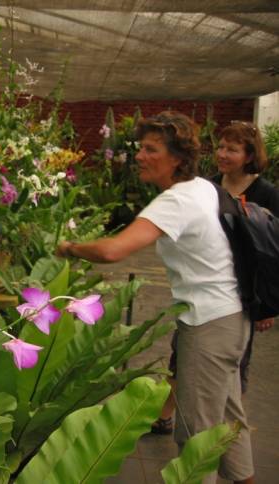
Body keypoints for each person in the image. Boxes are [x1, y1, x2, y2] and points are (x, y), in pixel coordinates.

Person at [56, 111, 254, 484]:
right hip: (231, 319)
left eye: (151, 149)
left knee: (197, 436)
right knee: (228, 423)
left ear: (177, 158)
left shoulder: (177, 201)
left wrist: (69, 247)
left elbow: (114, 250)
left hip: (209, 326)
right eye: (140, 148)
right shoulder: (204, 188)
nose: (140, 156)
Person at [152, 121, 279, 435]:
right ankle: (164, 416)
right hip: (205, 292)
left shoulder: (266, 194)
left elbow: (273, 251)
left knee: (234, 372)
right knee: (182, 355)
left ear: (249, 155)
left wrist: (269, 306)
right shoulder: (208, 187)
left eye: (232, 149)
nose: (222, 154)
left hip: (245, 296)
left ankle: (230, 434)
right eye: (221, 147)